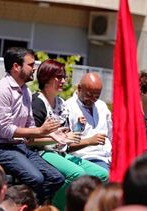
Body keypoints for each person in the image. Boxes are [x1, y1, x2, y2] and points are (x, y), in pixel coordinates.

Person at [30, 59, 109, 210]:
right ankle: (57, 206)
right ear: (46, 77)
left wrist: (78, 128)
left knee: (102, 175)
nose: (63, 81)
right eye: (59, 77)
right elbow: (30, 140)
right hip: (42, 151)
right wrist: (55, 138)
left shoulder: (60, 103)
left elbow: (67, 136)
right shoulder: (38, 102)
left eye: (64, 77)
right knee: (77, 174)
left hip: (60, 152)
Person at [0, 47, 64, 204]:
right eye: (31, 65)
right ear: (16, 67)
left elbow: (30, 125)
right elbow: (6, 131)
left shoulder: (25, 90)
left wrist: (51, 133)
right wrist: (39, 130)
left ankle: (31, 206)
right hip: (0, 147)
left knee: (56, 178)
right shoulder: (1, 90)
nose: (34, 69)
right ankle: (13, 205)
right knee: (36, 178)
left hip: (19, 146)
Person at [65, 73, 112, 170]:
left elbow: (112, 135)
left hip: (108, 157)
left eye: (96, 97)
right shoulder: (68, 107)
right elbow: (66, 145)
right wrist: (90, 141)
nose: (92, 100)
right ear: (79, 88)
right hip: (86, 158)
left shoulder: (102, 106)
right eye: (89, 95)